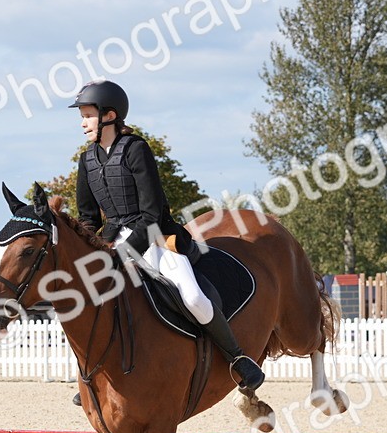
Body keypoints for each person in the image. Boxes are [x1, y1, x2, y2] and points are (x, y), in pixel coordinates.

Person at [68, 79, 265, 398]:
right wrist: (92, 252)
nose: (82, 123)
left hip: (156, 237)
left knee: (192, 297)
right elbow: (89, 218)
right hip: (112, 241)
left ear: (109, 115)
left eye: (87, 115)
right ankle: (93, 372)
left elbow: (153, 212)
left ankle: (238, 358)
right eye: (82, 116)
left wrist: (128, 253)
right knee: (87, 298)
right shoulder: (87, 160)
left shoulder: (135, 150)